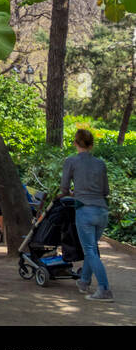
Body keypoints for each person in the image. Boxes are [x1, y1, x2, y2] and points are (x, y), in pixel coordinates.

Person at [62, 128, 113, 301]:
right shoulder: (100, 164)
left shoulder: (71, 161)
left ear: (76, 143)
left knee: (90, 251)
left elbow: (64, 188)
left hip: (85, 210)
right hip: (102, 211)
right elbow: (105, 190)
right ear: (91, 144)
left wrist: (71, 193)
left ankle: (104, 289)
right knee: (91, 249)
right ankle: (84, 281)